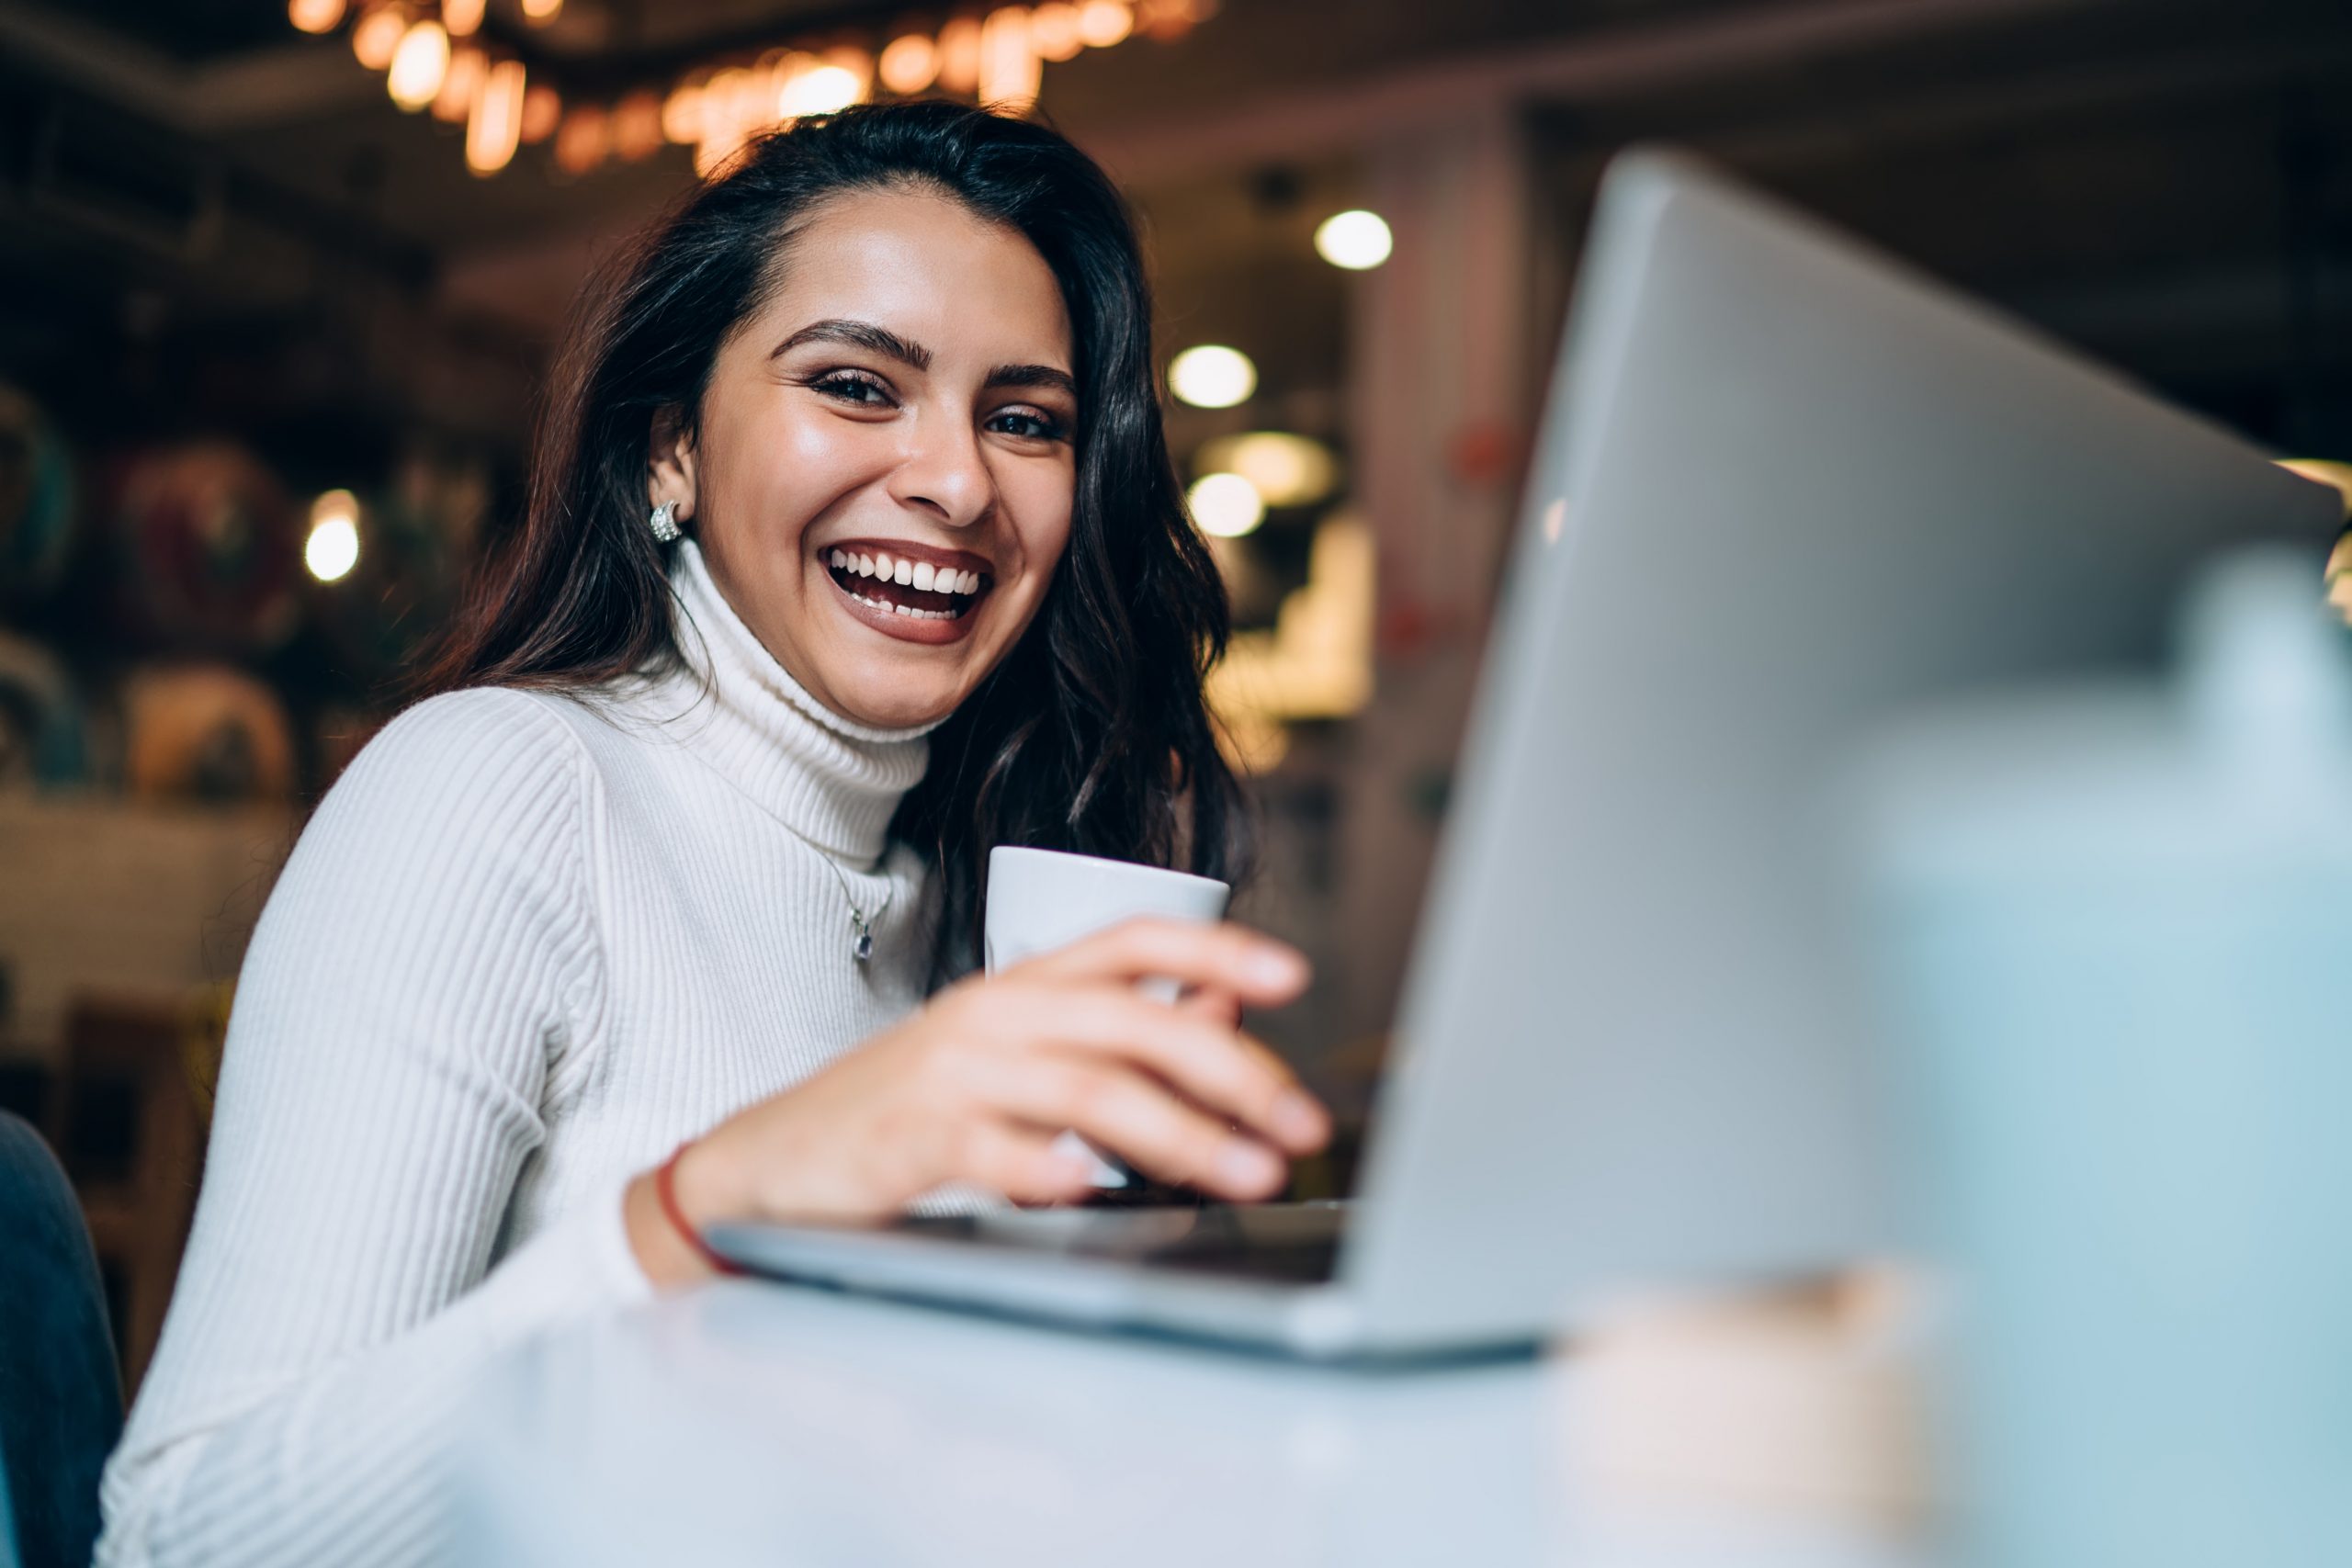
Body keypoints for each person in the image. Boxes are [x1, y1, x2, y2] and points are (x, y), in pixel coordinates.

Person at [96, 102, 1331, 1567]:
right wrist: (708, 1209)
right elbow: (187, 1537)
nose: (955, 482)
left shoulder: (959, 901)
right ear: (671, 442)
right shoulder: (499, 790)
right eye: (859, 385)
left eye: (1025, 420)